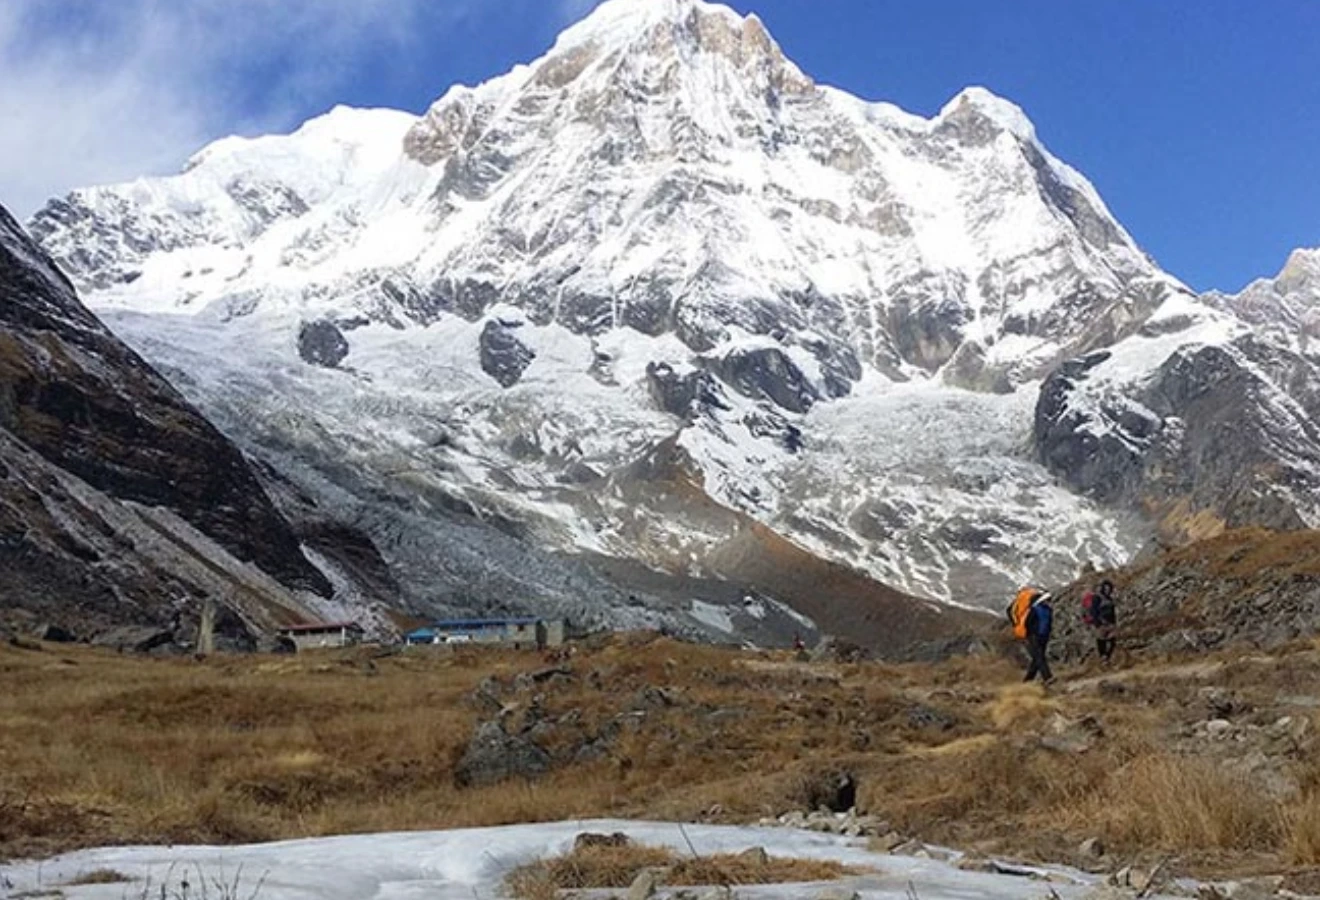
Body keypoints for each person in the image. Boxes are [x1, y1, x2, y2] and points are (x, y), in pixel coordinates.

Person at [1008, 586, 1054, 684]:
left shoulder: (1035, 609)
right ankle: (1046, 678)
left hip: (1035, 635)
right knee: (1039, 657)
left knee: (1037, 658)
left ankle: (1031, 680)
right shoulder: (1045, 610)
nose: (1049, 602)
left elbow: (1027, 622)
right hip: (1040, 635)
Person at [1082, 580, 1118, 664]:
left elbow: (1113, 612)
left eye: (1109, 588)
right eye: (1106, 588)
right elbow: (1093, 611)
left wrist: (1114, 623)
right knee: (1101, 641)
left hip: (1110, 623)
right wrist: (1097, 623)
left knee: (1112, 641)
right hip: (1101, 623)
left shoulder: (1110, 599)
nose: (1107, 590)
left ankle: (1107, 657)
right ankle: (1103, 658)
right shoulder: (1097, 598)